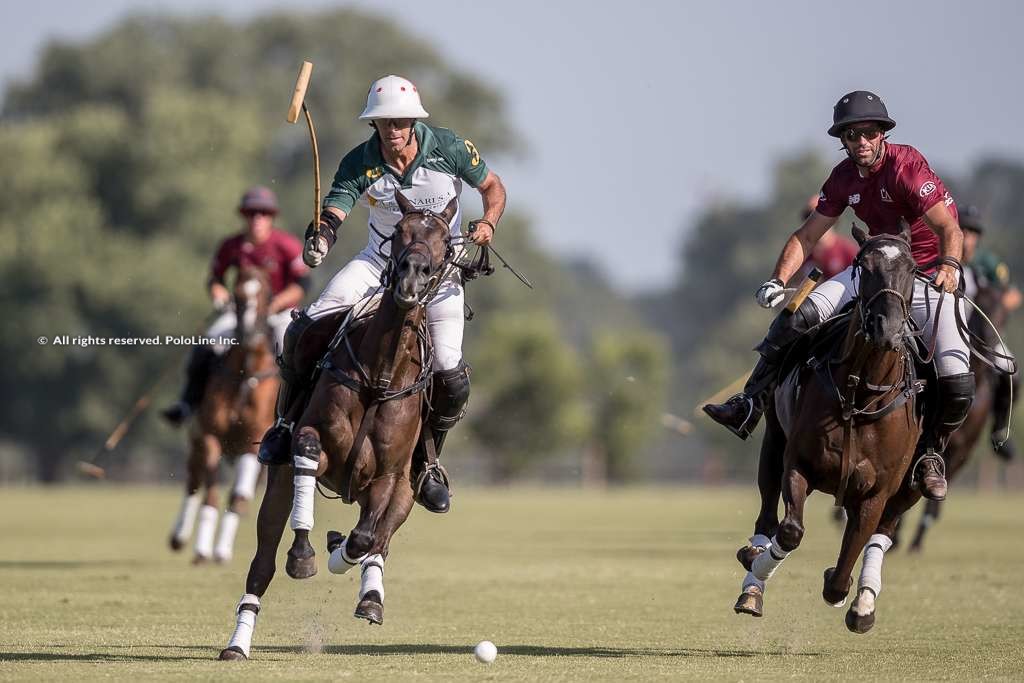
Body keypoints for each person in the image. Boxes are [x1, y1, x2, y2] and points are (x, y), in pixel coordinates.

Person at [703, 90, 971, 502]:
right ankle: (750, 404)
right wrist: (779, 279)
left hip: (925, 274)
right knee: (796, 319)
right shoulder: (843, 177)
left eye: (867, 132)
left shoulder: (907, 168)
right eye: (850, 135)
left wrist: (951, 267)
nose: (860, 142)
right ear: (843, 141)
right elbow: (808, 234)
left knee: (958, 381)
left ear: (882, 133)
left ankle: (931, 453)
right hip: (870, 270)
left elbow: (949, 228)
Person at [257, 75, 507, 514]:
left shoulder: (447, 147)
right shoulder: (360, 161)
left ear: (413, 122)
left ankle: (428, 465)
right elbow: (336, 207)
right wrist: (322, 238)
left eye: (400, 122)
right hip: (376, 265)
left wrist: (487, 223)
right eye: (383, 123)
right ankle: (284, 424)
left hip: (438, 273)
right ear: (373, 126)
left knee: (450, 371)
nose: (392, 131)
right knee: (306, 326)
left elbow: (492, 187)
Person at [162, 186, 309, 425]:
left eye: (263, 213)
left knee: (295, 355)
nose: (257, 219)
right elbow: (215, 278)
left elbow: (302, 283)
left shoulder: (285, 244)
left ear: (272, 216)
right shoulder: (232, 245)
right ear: (244, 216)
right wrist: (219, 294)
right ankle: (188, 403)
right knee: (206, 345)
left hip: (280, 314)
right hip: (241, 313)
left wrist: (276, 303)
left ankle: (298, 415)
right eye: (251, 213)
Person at [960, 205, 1019, 460]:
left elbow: (1012, 294)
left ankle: (998, 431)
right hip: (945, 333)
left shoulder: (987, 263)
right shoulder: (939, 256)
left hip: (983, 338)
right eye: (962, 229)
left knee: (1011, 374)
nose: (966, 236)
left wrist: (998, 311)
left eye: (972, 232)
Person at [800, 195, 858, 279]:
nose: (812, 222)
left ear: (832, 219)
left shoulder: (847, 251)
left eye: (817, 217)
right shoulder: (803, 255)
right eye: (808, 216)